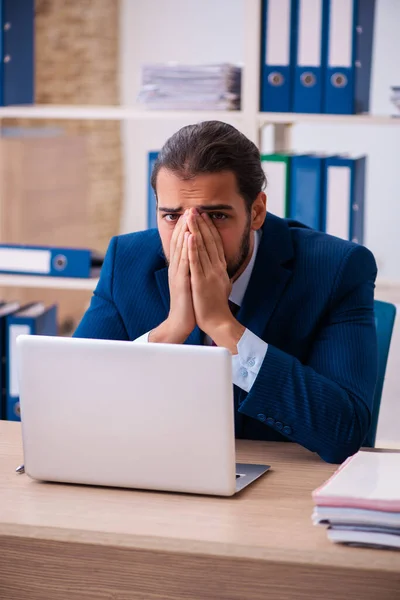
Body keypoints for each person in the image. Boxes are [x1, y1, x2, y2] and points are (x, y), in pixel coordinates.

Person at [74, 120, 378, 464]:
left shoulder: (337, 269)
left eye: (216, 216)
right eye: (172, 217)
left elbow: (345, 433)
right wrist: (171, 331)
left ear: (257, 211)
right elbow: (67, 405)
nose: (191, 236)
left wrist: (223, 326)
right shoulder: (126, 262)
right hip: (157, 472)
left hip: (280, 487)